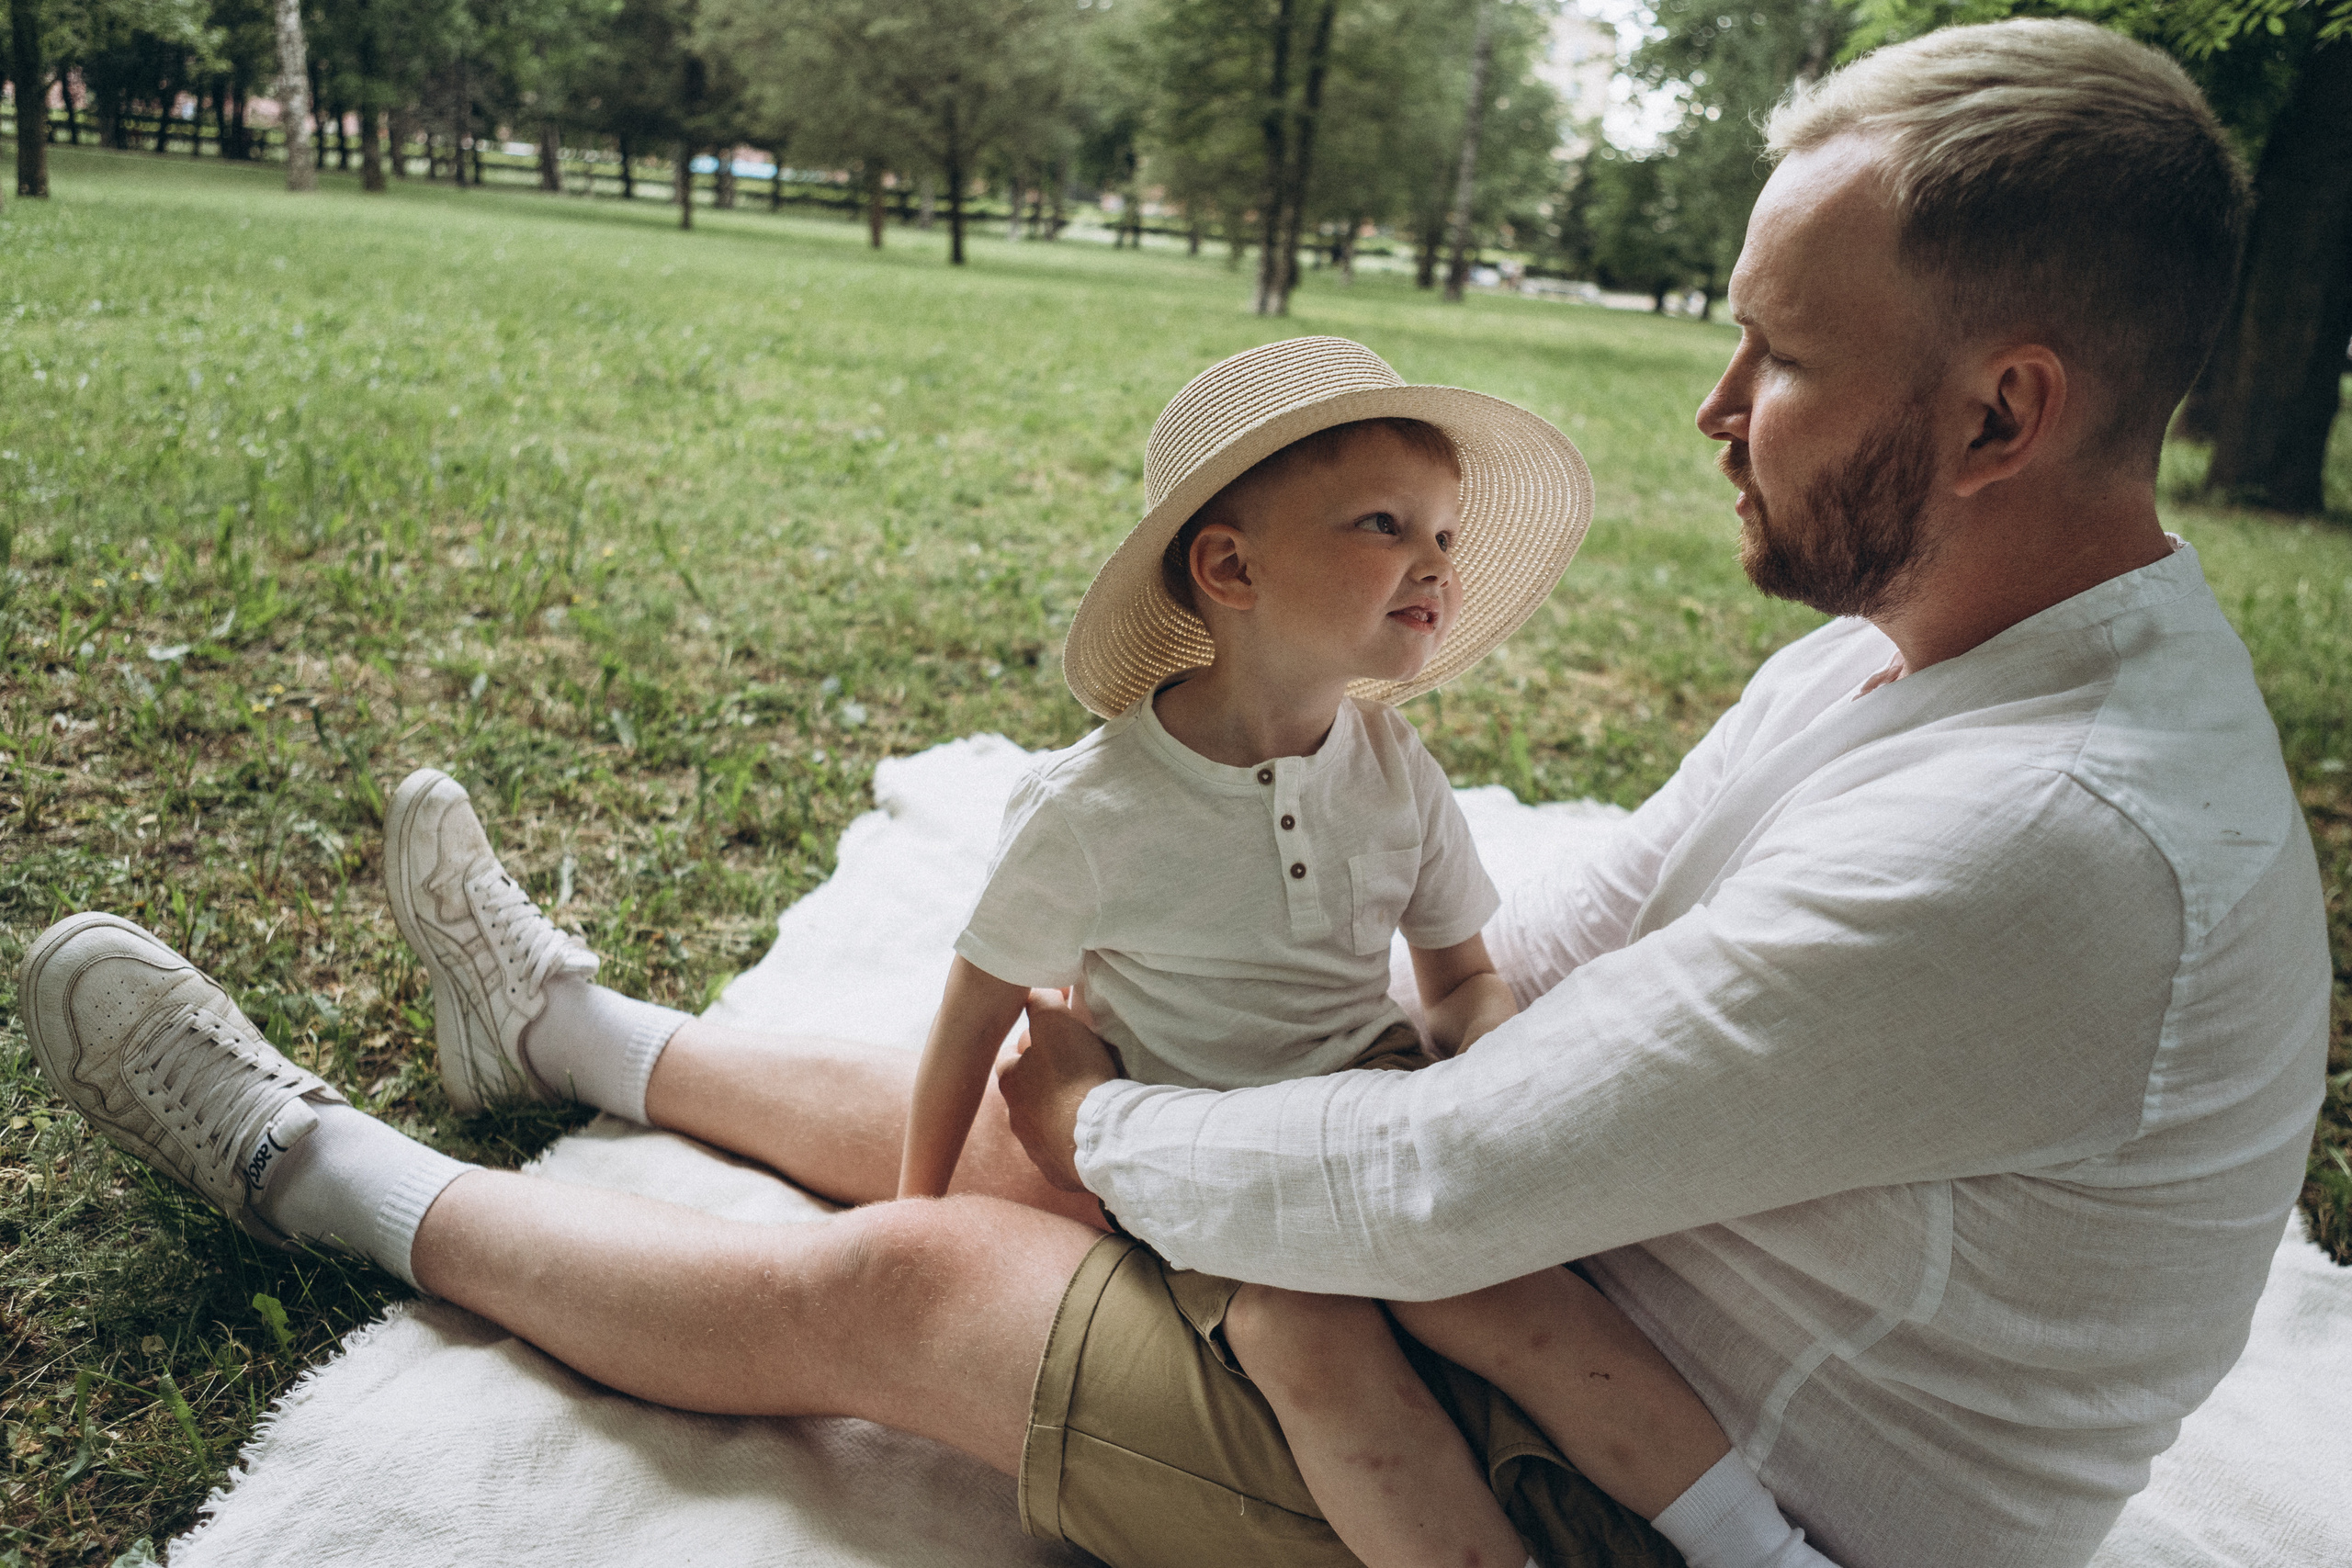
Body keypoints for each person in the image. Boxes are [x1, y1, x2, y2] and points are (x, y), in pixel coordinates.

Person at [19, 18, 2328, 1568]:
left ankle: (308, 1162)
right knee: (1101, 1092)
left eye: (1783, 354)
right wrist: (1211, 1059)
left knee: (935, 1252)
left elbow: (1431, 1180)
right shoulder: (1926, 647)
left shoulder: (2058, 842)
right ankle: (558, 1037)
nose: (1714, 405)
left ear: (2004, 410)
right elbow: (1582, 930)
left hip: (1664, 1500)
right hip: (1591, 1282)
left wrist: (1106, 1110)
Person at [895, 342, 1807, 1568]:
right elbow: (973, 1014)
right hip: (1198, 1148)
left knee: (1522, 1304)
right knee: (1306, 1340)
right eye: (1388, 525)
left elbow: (1461, 979)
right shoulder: (1093, 810)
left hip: (1373, 1112)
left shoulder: (1393, 773)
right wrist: (912, 1219)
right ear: (1230, 566)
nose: (1437, 564)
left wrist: (1492, 1074)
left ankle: (1762, 1550)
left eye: (1447, 535)